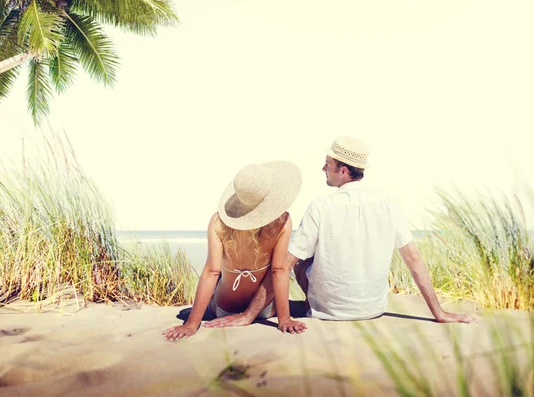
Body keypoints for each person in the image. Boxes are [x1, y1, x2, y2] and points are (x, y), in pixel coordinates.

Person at [206, 136, 478, 333]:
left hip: (329, 313)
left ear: (343, 170)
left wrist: (246, 315)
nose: (323, 169)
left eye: (328, 164)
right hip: (373, 309)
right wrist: (439, 313)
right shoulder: (388, 203)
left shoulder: (321, 207)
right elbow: (414, 259)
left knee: (298, 258)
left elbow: (283, 268)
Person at [163, 161, 306, 341]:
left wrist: (191, 324)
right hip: (265, 311)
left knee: (219, 281)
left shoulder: (218, 222)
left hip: (223, 309)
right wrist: (284, 319)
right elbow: (279, 270)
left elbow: (211, 272)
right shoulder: (282, 221)